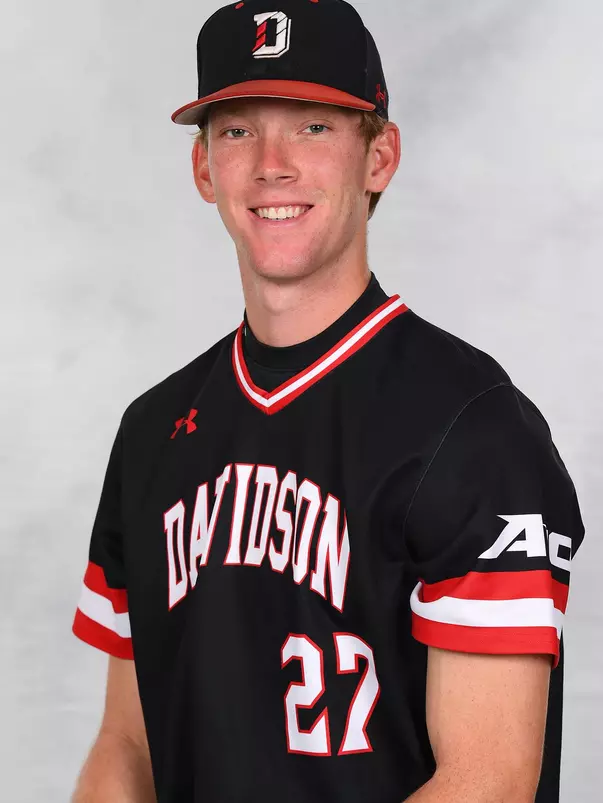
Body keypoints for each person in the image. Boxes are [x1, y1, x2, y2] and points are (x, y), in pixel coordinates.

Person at [70, 1, 585, 801]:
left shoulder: (474, 428)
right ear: (204, 169)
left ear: (379, 156)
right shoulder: (150, 434)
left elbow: (489, 779)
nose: (271, 163)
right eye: (237, 130)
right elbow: (125, 747)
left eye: (312, 127)